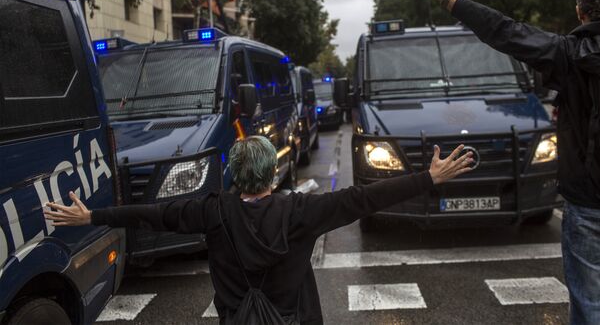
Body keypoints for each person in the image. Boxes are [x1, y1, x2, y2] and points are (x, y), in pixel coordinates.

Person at [45, 136, 473, 324]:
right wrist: (428, 179)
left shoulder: (209, 211)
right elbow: (364, 199)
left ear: (232, 174)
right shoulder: (304, 211)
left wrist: (92, 217)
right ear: (273, 172)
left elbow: (150, 214)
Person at [420, 0, 600, 323]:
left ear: (580, 12)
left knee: (590, 302)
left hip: (589, 200)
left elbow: (504, 30)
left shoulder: (567, 55)